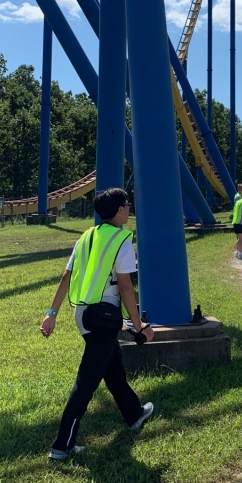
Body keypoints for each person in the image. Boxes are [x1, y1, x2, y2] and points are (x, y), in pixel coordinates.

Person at [40, 187, 155, 460]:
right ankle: (62, 445)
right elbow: (125, 286)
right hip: (103, 317)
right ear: (119, 210)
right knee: (87, 381)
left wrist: (51, 314)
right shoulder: (121, 240)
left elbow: (66, 277)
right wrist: (139, 326)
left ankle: (134, 413)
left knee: (112, 367)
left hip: (82, 314)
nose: (129, 208)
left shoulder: (86, 237)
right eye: (127, 204)